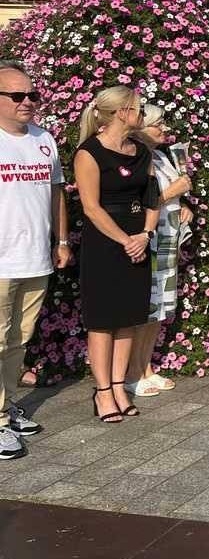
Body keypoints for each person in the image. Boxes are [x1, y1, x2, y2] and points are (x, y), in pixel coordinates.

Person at [75, 86, 159, 422]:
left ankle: (119, 385)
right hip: (105, 244)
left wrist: (145, 234)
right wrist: (126, 239)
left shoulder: (141, 151)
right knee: (102, 321)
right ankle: (102, 392)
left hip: (139, 240)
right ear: (122, 112)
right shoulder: (89, 153)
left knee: (128, 318)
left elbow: (152, 197)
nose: (142, 114)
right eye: (139, 108)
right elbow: (92, 208)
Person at [0, 61, 67, 458]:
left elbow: (57, 191)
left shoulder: (45, 139)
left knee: (17, 341)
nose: (28, 103)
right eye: (17, 96)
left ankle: (7, 407)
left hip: (35, 258)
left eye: (33, 95)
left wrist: (61, 241)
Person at [125, 104, 192, 398]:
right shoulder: (137, 158)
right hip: (149, 240)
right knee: (145, 308)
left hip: (168, 239)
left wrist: (184, 205)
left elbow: (167, 197)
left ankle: (147, 367)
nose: (164, 129)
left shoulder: (162, 157)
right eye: (158, 124)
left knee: (160, 308)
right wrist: (173, 193)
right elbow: (139, 204)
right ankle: (132, 372)